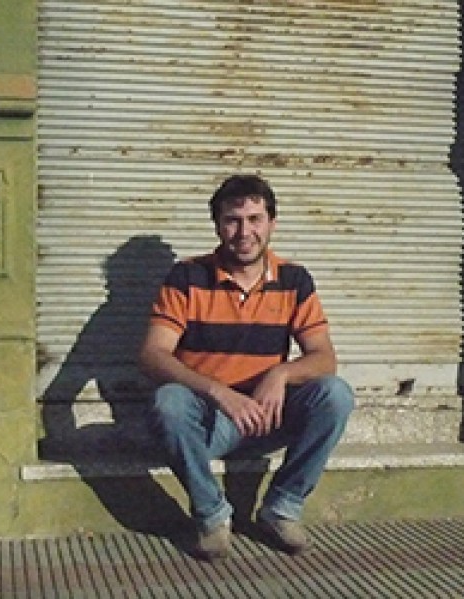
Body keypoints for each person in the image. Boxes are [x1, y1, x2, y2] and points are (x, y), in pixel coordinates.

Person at [138, 174, 354, 560]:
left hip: (267, 416)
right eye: (232, 221)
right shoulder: (187, 277)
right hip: (210, 421)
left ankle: (282, 508)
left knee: (335, 394)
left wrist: (280, 375)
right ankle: (212, 516)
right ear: (217, 225)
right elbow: (153, 355)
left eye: (255, 219)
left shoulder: (294, 280)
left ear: (272, 223)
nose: (244, 232)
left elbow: (325, 358)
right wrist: (218, 393)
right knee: (168, 402)